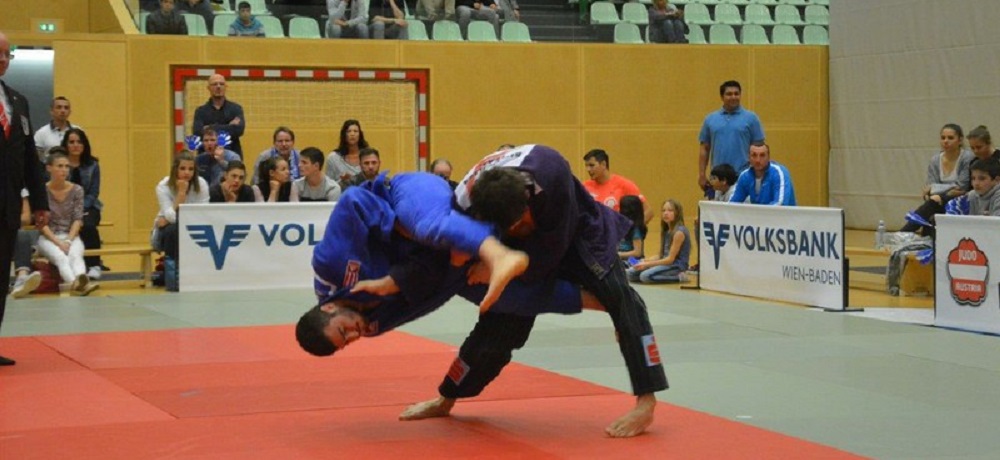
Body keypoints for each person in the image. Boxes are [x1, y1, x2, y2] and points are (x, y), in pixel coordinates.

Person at [407, 145, 668, 438]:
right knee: (499, 325)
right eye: (513, 227)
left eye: (522, 221)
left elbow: (550, 251)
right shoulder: (467, 203)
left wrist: (505, 270)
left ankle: (646, 400)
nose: (522, 227)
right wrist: (489, 259)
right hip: (514, 248)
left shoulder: (550, 170)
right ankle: (448, 395)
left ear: (527, 197)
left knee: (621, 300)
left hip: (578, 227)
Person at [1, 31, 51, 365]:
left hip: (6, 205)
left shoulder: (18, 101)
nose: (2, 60)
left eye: (7, 55)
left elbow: (30, 159)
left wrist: (39, 202)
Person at [37, 152, 99, 296]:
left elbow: (78, 219)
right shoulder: (41, 191)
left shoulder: (77, 190)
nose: (64, 170)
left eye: (66, 166)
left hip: (71, 235)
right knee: (61, 258)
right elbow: (41, 223)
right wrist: (59, 242)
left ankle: (81, 282)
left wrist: (69, 240)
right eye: (59, 166)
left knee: (75, 256)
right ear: (49, 168)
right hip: (49, 237)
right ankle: (75, 285)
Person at [899, 123, 973, 237]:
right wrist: (942, 190)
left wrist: (938, 190)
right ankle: (918, 237)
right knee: (933, 202)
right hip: (938, 201)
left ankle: (903, 233)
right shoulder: (935, 160)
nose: (946, 141)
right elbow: (931, 187)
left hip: (960, 201)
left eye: (950, 138)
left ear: (960, 140)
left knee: (933, 202)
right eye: (943, 138)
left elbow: (962, 186)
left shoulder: (967, 157)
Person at [698, 80, 765, 196]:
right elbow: (704, 148)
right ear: (722, 97)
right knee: (718, 213)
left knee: (742, 213)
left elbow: (760, 149)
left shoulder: (751, 119)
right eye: (729, 94)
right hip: (718, 180)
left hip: (743, 177)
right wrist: (702, 175)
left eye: (736, 93)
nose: (733, 97)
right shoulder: (710, 119)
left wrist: (759, 175)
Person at [60, 130, 105, 279]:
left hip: (89, 206)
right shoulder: (60, 164)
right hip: (64, 207)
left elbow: (93, 192)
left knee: (88, 225)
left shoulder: (93, 164)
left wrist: (81, 208)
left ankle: (94, 265)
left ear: (84, 144)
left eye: (79, 142)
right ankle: (70, 266)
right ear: (66, 145)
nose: (75, 145)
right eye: (71, 142)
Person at [153, 152, 210, 263]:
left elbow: (203, 214)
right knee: (173, 230)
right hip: (167, 231)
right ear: (175, 169)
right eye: (182, 168)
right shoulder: (163, 186)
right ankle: (173, 270)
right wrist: (181, 193)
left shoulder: (202, 184)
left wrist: (169, 220)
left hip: (194, 225)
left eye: (191, 169)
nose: (187, 173)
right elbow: (170, 217)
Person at [582, 149, 653, 223]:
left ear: (603, 164)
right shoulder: (584, 187)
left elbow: (648, 212)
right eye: (586, 166)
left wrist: (633, 230)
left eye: (591, 165)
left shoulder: (624, 185)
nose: (588, 169)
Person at [628, 199, 690, 284]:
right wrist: (645, 261)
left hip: (676, 265)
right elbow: (661, 255)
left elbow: (670, 260)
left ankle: (679, 277)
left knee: (645, 276)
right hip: (666, 262)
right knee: (631, 273)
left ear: (677, 213)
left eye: (670, 210)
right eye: (663, 210)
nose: (665, 213)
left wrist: (647, 265)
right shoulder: (666, 231)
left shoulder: (679, 232)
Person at [192, 74, 246, 157]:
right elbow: (198, 133)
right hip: (206, 158)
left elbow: (239, 130)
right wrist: (229, 126)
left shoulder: (236, 109)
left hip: (232, 157)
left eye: (221, 84)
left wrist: (209, 128)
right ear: (208, 88)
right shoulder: (200, 111)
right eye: (215, 84)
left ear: (226, 87)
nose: (218, 86)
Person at [729, 144, 796, 206]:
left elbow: (780, 204)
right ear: (749, 157)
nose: (758, 160)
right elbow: (733, 204)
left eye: (762, 155)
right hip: (758, 217)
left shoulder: (779, 173)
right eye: (754, 155)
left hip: (784, 217)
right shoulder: (745, 176)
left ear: (769, 157)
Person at [9, 191, 43, 299]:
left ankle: (22, 279)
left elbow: (26, 217)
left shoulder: (19, 188)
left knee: (22, 234)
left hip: (9, 229)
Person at [325, 119, 369, 189]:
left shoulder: (368, 156)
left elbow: (372, 178)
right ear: (344, 135)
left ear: (360, 135)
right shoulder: (333, 158)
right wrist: (342, 181)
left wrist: (354, 179)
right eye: (349, 131)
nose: (352, 134)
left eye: (355, 131)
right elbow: (328, 185)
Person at [33, 96, 79, 162]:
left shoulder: (78, 131)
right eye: (59, 107)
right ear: (51, 111)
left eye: (66, 108)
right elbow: (37, 160)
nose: (63, 111)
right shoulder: (41, 133)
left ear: (70, 112)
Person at [617, 195, 646, 263]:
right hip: (621, 258)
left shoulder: (636, 230)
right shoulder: (621, 225)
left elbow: (637, 253)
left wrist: (619, 255)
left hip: (633, 260)